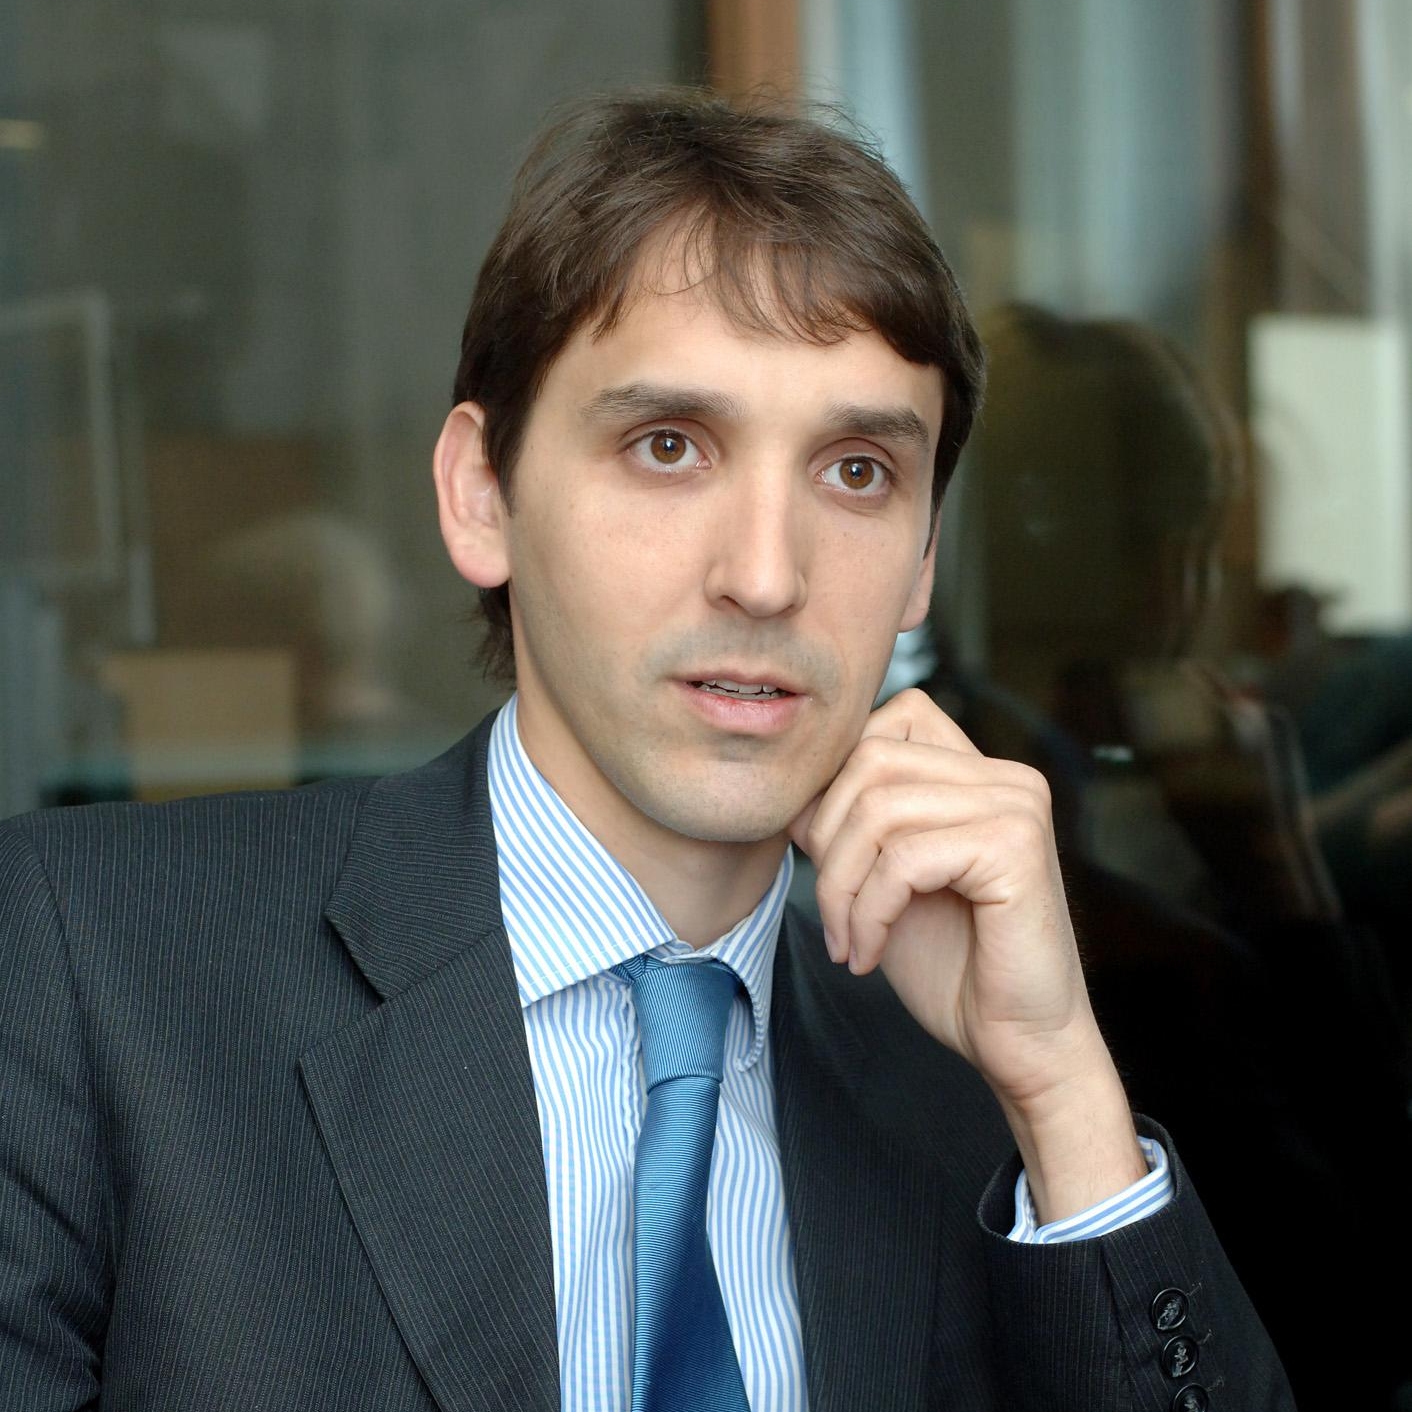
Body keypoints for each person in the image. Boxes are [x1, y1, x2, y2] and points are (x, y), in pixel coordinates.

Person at [0, 89, 1292, 1411]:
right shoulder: (83, 961)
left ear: (922, 562)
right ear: (481, 494)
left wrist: (1059, 1088)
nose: (766, 576)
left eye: (856, 471)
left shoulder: (974, 1092)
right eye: (669, 447)